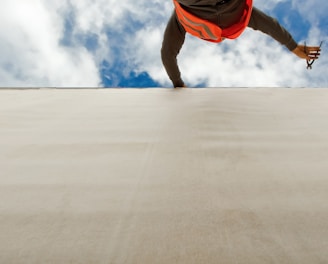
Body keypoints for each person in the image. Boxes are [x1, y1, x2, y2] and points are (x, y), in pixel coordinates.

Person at [161, 0, 321, 88]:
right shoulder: (238, 18)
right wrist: (177, 82)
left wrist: (293, 46)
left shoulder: (239, 18)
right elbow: (167, 54)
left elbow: (270, 25)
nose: (223, 37)